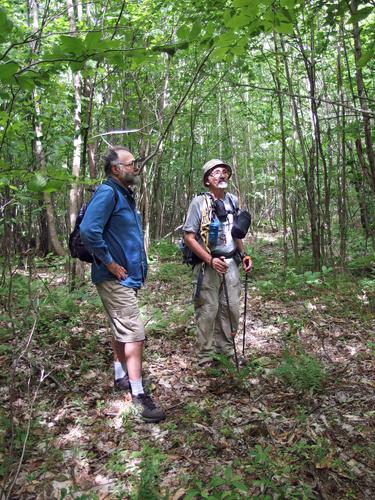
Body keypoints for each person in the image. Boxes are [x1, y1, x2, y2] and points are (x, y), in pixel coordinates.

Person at [80, 146, 165, 423]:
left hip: (125, 278)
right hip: (114, 277)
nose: (136, 167)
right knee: (135, 334)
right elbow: (88, 230)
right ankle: (139, 395)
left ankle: (120, 376)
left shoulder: (124, 195)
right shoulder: (108, 192)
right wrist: (110, 263)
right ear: (116, 168)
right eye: (132, 163)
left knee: (121, 327)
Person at [183, 159, 252, 367]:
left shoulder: (232, 200)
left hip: (231, 263)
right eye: (216, 172)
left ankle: (227, 352)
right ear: (207, 180)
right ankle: (206, 357)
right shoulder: (199, 203)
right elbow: (189, 236)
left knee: (230, 308)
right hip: (208, 265)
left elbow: (236, 233)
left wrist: (244, 254)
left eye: (224, 172)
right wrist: (210, 260)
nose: (222, 175)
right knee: (208, 310)